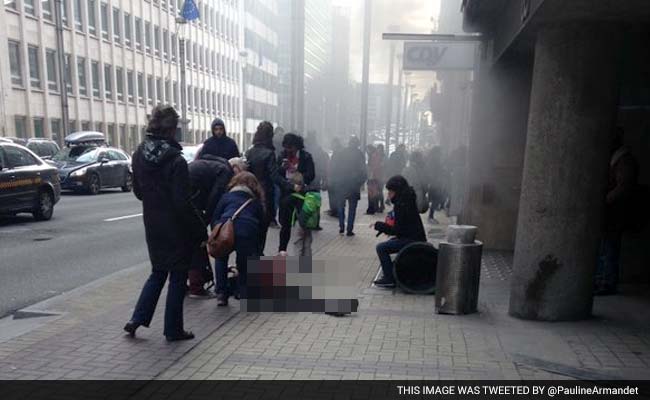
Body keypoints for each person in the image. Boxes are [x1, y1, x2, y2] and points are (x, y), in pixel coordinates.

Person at [124, 105, 206, 341]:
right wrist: (199, 227)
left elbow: (138, 192)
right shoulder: (176, 161)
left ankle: (137, 318)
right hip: (175, 227)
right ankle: (173, 329)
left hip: (152, 222)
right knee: (178, 277)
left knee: (158, 271)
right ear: (171, 130)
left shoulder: (139, 154)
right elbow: (182, 202)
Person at [594, 128, 640, 296]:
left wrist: (604, 200)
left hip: (616, 213)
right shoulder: (619, 160)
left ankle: (606, 283)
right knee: (605, 249)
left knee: (609, 249)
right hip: (612, 213)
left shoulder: (624, 161)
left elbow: (623, 187)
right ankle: (602, 281)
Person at [212, 172, 265, 306]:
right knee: (243, 262)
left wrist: (216, 233)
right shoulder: (255, 202)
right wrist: (258, 248)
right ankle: (242, 292)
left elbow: (215, 217)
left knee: (221, 259)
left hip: (225, 229)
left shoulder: (226, 197)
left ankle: (221, 293)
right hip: (247, 230)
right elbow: (262, 226)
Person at [186, 153, 234, 298]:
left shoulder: (211, 164)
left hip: (184, 194)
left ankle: (183, 284)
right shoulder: (225, 172)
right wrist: (207, 220)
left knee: (184, 243)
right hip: (191, 198)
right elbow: (215, 196)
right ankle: (197, 287)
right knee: (197, 243)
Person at [245, 121, 293, 254]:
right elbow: (274, 176)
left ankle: (250, 259)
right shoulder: (269, 153)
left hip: (250, 193)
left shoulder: (250, 152)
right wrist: (289, 185)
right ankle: (258, 257)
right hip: (265, 195)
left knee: (251, 229)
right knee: (262, 230)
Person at [372, 175, 427, 288]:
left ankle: (389, 278)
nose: (389, 195)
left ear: (397, 191)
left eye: (390, 192)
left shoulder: (401, 204)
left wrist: (379, 226)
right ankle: (390, 274)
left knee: (381, 248)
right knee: (390, 243)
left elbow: (397, 230)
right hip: (415, 237)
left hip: (412, 240)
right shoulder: (407, 200)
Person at [277, 133, 315, 256]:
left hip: (302, 195)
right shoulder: (282, 156)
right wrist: (282, 168)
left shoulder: (306, 157)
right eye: (286, 148)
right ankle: (281, 252)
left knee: (303, 229)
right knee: (285, 226)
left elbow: (310, 175)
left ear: (297, 146)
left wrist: (294, 169)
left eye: (290, 148)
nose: (288, 151)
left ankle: (303, 261)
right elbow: (277, 175)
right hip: (286, 195)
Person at [330, 136, 367, 236]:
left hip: (341, 184)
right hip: (354, 186)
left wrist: (335, 181)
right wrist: (360, 182)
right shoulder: (360, 154)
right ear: (357, 144)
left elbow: (334, 168)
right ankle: (349, 229)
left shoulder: (342, 153)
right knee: (352, 209)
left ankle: (341, 226)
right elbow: (363, 171)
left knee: (341, 206)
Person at [425, 146, 444, 223]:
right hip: (435, 183)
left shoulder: (432, 159)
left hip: (434, 182)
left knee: (435, 200)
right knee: (436, 199)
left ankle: (431, 216)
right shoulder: (434, 160)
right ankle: (430, 216)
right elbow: (433, 172)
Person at [327, 138, 343, 218]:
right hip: (336, 177)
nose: (332, 145)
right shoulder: (337, 152)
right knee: (334, 194)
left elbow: (334, 166)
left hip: (336, 177)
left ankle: (335, 210)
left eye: (333, 144)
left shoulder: (338, 153)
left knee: (334, 194)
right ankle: (334, 210)